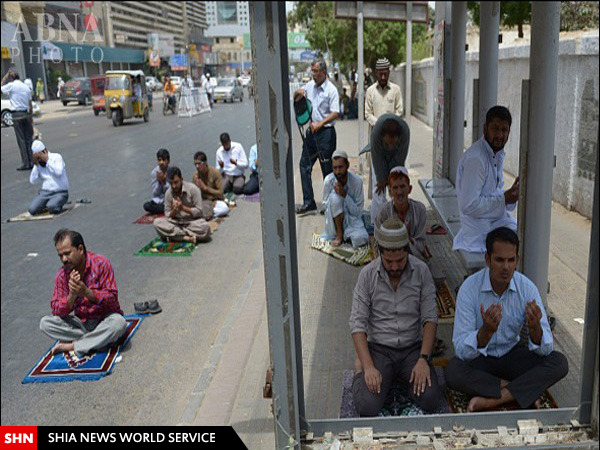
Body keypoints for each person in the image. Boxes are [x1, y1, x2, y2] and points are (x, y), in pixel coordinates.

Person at [446, 227, 568, 412]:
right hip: (482, 359)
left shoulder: (527, 288)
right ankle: (519, 391)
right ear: (487, 260)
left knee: (559, 363)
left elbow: (546, 348)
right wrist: (485, 333)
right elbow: (461, 350)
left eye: (511, 260)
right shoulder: (469, 289)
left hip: (512, 355)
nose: (506, 267)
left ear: (517, 260)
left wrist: (535, 330)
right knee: (453, 370)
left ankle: (494, 399)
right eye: (499, 260)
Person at [350, 218, 442, 416]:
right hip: (380, 350)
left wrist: (423, 359)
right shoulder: (367, 275)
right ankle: (360, 371)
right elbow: (357, 325)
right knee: (367, 406)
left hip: (412, 349)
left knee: (431, 397)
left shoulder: (422, 271)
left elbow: (430, 319)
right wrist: (367, 367)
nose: (394, 267)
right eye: (389, 261)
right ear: (379, 253)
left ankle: (400, 376)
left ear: (407, 251)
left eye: (400, 261)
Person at [39, 229, 127, 356]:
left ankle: (74, 345)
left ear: (80, 249)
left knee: (118, 323)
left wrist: (86, 292)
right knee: (45, 324)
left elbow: (112, 300)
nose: (64, 259)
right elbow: (57, 310)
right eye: (60, 255)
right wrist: (72, 295)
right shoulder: (62, 275)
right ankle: (97, 340)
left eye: (67, 253)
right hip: (82, 325)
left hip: (104, 319)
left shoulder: (101, 264)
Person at [453, 106, 519, 253]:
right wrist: (504, 199)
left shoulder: (496, 154)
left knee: (524, 233)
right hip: (478, 233)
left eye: (504, 130)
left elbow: (492, 193)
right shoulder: (477, 159)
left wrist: (510, 196)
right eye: (495, 129)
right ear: (485, 129)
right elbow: (469, 205)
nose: (500, 135)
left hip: (490, 223)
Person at [293, 57, 340, 214]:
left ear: (323, 72)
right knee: (304, 165)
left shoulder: (331, 90)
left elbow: (336, 113)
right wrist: (297, 94)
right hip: (311, 134)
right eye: (311, 71)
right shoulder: (309, 86)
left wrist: (320, 123)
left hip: (326, 133)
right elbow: (298, 99)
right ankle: (309, 202)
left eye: (315, 71)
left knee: (327, 169)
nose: (313, 74)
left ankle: (328, 204)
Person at [375, 166, 428, 262]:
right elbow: (379, 245)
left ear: (410, 189)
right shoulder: (383, 213)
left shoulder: (420, 210)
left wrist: (407, 239)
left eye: (403, 187)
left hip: (414, 259)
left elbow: (421, 245)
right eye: (395, 188)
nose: (399, 192)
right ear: (390, 192)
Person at [321, 149, 369, 248]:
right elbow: (325, 206)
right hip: (334, 221)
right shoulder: (328, 181)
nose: (338, 172)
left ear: (347, 165)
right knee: (334, 197)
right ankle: (339, 235)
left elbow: (358, 212)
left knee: (362, 238)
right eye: (335, 168)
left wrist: (345, 196)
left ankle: (347, 235)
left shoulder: (357, 182)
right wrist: (337, 206)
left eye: (340, 167)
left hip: (352, 220)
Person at [369, 113, 410, 224]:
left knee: (397, 188)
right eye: (388, 143)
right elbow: (377, 157)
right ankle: (377, 221)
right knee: (378, 189)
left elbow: (400, 159)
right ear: (383, 137)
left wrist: (392, 180)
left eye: (393, 142)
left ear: (398, 137)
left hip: (396, 156)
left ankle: (398, 219)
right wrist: (382, 179)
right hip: (379, 155)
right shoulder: (376, 132)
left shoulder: (405, 131)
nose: (391, 145)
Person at [153, 166, 211, 244]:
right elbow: (167, 215)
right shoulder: (168, 193)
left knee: (205, 229)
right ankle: (185, 238)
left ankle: (176, 236)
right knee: (157, 223)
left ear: (182, 179)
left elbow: (199, 211)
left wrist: (182, 208)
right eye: (171, 183)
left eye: (176, 182)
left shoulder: (193, 189)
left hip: (191, 222)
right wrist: (174, 210)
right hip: (175, 222)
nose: (174, 186)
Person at [1, 69, 34, 170]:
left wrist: (5, 77)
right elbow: (30, 104)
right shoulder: (26, 87)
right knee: (29, 139)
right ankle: (32, 161)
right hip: (26, 114)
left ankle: (26, 163)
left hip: (17, 115)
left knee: (21, 140)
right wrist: (31, 116)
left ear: (11, 78)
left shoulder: (12, 85)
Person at [28, 140, 69, 216]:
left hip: (60, 192)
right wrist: (36, 166)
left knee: (52, 207)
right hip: (45, 193)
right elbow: (33, 181)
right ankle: (45, 204)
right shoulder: (38, 163)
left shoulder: (56, 157)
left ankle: (55, 203)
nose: (40, 159)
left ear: (45, 151)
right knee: (32, 210)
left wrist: (47, 161)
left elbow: (59, 173)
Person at [365, 58, 403, 135]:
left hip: (392, 134)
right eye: (380, 74)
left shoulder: (396, 90)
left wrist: (390, 125)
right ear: (376, 73)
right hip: (375, 133)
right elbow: (368, 113)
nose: (383, 77)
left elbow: (399, 111)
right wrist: (379, 124)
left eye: (385, 74)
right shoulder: (370, 91)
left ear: (389, 73)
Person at [193, 151, 229, 218]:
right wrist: (196, 186)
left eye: (199, 164)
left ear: (205, 162)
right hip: (204, 200)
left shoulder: (214, 173)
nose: (197, 166)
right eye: (195, 164)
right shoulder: (196, 175)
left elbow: (220, 192)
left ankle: (207, 213)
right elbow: (193, 194)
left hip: (215, 200)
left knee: (224, 209)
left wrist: (206, 188)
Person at [143, 148, 170, 215]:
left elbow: (172, 190)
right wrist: (159, 182)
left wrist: (164, 183)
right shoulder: (154, 173)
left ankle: (168, 208)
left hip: (170, 199)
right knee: (146, 206)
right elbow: (155, 193)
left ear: (168, 161)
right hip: (159, 201)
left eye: (164, 160)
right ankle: (167, 209)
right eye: (159, 160)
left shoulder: (171, 171)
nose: (161, 162)